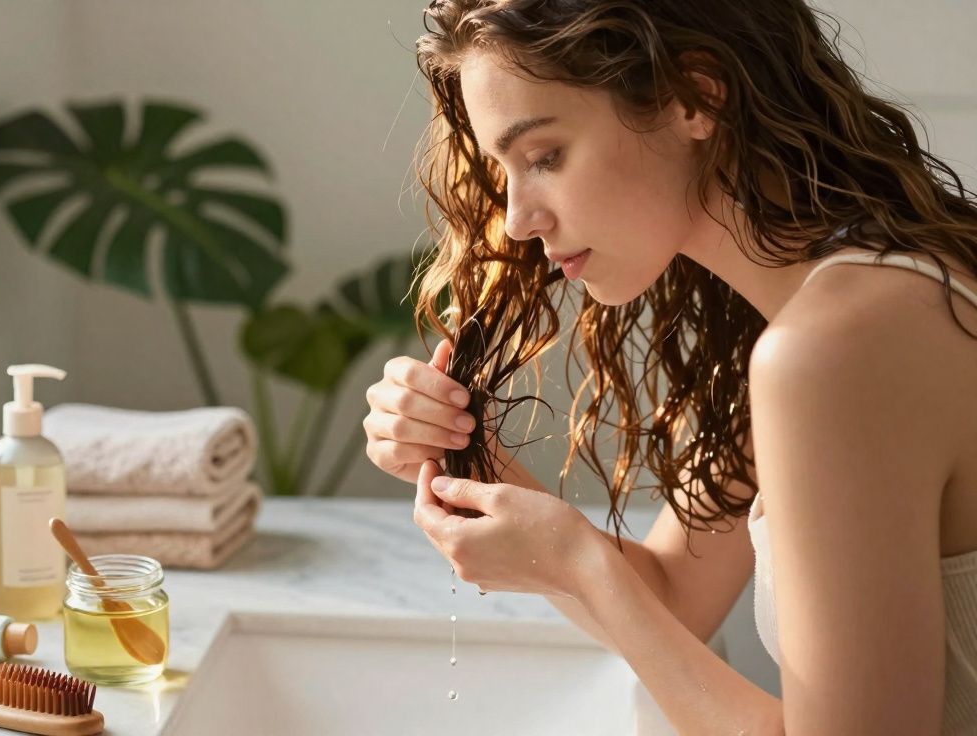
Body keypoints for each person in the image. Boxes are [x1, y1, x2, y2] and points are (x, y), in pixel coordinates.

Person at [362, 1, 977, 734]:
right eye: (504, 170)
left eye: (545, 157)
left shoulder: (837, 349)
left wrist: (580, 566)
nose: (518, 218)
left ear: (695, 96)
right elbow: (676, 594)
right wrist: (469, 454)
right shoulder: (843, 300)